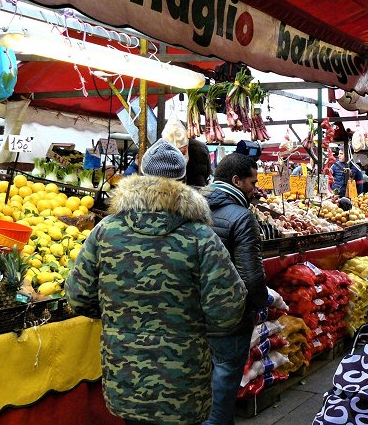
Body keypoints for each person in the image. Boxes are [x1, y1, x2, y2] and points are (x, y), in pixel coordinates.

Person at [65, 139, 247, 424]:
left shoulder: (105, 232)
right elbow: (227, 312)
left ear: (140, 174)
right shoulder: (200, 237)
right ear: (184, 181)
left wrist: (117, 316)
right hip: (183, 381)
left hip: (125, 376)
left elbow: (77, 297)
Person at [200, 153, 269, 425]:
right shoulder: (242, 217)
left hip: (195, 311)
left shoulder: (192, 208)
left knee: (201, 381)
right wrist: (261, 303)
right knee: (225, 380)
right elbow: (250, 274)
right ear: (236, 181)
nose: (255, 188)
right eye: (252, 182)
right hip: (229, 316)